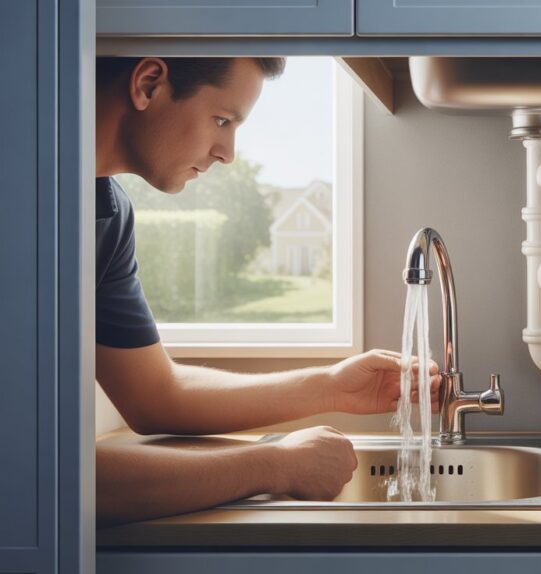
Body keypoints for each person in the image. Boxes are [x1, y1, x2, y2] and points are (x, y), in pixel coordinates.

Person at [93, 57, 438, 527]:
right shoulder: (23, 192)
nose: (228, 152)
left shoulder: (106, 217)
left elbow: (155, 395)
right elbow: (39, 472)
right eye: (222, 119)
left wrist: (331, 385)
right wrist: (273, 467)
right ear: (148, 83)